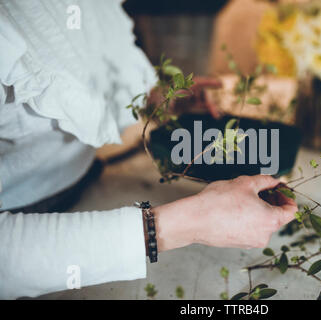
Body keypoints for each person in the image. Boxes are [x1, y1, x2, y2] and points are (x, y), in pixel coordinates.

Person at [0, 0, 297, 299]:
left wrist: (155, 99)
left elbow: (81, 60)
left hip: (92, 185)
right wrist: (187, 223)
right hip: (48, 238)